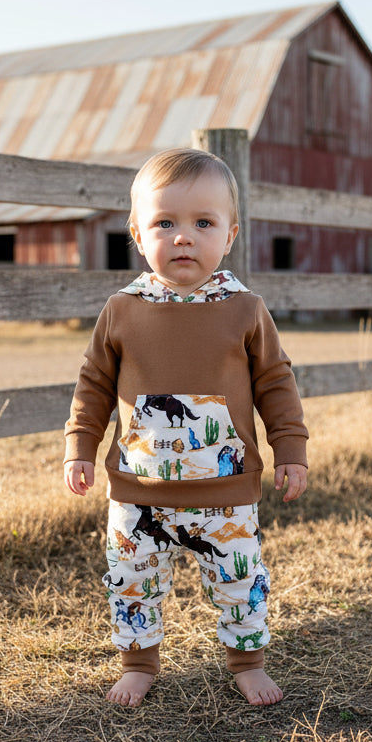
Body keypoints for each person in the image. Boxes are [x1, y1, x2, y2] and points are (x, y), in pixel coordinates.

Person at [63, 147, 309, 707]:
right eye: (165, 222)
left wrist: (290, 448)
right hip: (137, 488)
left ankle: (247, 661)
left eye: (203, 223)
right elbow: (94, 383)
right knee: (132, 579)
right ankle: (138, 662)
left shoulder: (244, 308)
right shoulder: (122, 309)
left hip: (223, 491)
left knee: (239, 580)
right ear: (136, 232)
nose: (183, 237)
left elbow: (276, 381)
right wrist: (81, 445)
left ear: (230, 235)